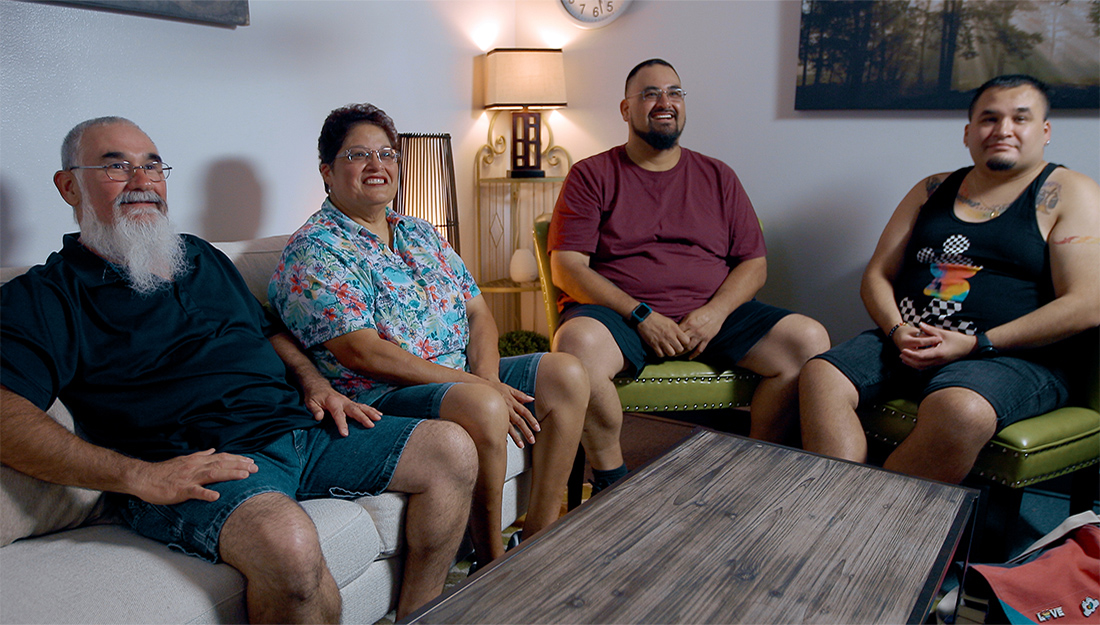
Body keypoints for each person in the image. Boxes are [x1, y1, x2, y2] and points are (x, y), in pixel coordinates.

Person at [0, 117, 477, 624]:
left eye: (152, 165)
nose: (141, 182)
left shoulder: (199, 257)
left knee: (450, 449)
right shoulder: (43, 296)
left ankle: (420, 617)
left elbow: (269, 331)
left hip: (300, 431)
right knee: (290, 543)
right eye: (116, 166)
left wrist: (314, 382)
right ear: (68, 185)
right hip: (202, 464)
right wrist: (139, 476)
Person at [268, 103, 587, 566]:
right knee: (482, 403)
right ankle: (491, 561)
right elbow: (362, 351)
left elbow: (478, 311)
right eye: (359, 155)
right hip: (382, 396)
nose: (377, 165)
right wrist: (479, 387)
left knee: (566, 373)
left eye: (388, 153)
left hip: (461, 377)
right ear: (327, 172)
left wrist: (487, 375)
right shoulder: (315, 248)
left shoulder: (420, 232)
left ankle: (537, 539)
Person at [799, 75, 1100, 484]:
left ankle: (872, 520)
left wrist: (979, 343)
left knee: (960, 410)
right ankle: (833, 504)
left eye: (1020, 119)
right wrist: (896, 330)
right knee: (821, 376)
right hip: (908, 341)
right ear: (968, 132)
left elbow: (1087, 303)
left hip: (1011, 357)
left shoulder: (1069, 191)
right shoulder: (932, 188)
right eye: (989, 119)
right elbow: (877, 275)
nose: (1003, 130)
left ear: (1045, 132)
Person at [547, 59, 831, 492]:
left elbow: (754, 265)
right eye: (650, 94)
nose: (665, 102)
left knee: (808, 340)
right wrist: (641, 315)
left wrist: (715, 313)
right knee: (575, 347)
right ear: (625, 110)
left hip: (712, 318)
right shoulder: (592, 174)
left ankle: (754, 475)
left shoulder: (718, 176)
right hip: (622, 317)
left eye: (674, 93)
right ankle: (612, 481)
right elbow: (567, 268)